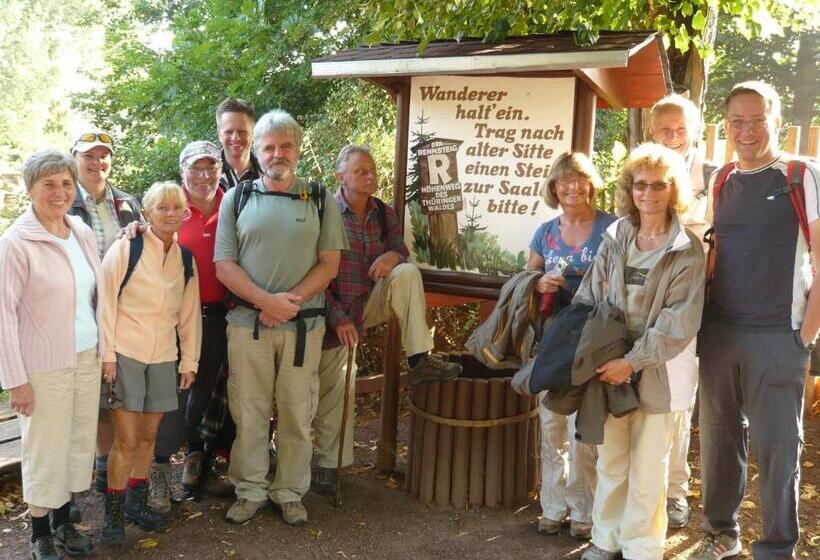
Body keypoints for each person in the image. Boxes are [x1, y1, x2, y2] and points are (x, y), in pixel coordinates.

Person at [690, 81, 820, 560]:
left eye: (757, 119)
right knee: (720, 442)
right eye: (737, 121)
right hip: (720, 333)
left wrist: (804, 335)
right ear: (726, 125)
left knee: (778, 447)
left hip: (778, 336)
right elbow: (711, 252)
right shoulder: (722, 178)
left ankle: (776, 548)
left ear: (776, 122)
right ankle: (720, 533)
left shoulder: (800, 174)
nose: (746, 130)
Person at [214, 109, 348, 526]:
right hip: (248, 324)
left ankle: (289, 491)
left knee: (296, 411)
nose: (277, 154)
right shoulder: (238, 198)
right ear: (257, 150)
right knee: (248, 410)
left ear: (298, 148)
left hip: (302, 326)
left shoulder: (321, 198)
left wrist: (286, 303)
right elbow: (224, 264)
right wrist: (264, 302)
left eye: (285, 146)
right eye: (269, 147)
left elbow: (329, 264)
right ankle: (250, 490)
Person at [578, 143, 704, 560]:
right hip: (609, 365)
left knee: (650, 467)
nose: (648, 193)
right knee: (611, 460)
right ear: (629, 189)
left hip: (659, 371)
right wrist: (603, 357)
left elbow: (679, 322)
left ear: (674, 190)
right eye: (640, 185)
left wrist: (630, 362)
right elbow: (590, 294)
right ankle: (605, 539)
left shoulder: (686, 248)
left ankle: (641, 549)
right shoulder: (615, 236)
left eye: (658, 185)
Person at [312, 145, 461, 495]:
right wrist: (336, 318)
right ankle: (330, 467)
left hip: (371, 301)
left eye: (372, 170)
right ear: (340, 176)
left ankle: (419, 359)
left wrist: (393, 255)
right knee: (338, 385)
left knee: (407, 272)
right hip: (333, 311)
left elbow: (401, 248)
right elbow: (312, 273)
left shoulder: (383, 213)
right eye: (361, 170)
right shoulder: (323, 213)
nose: (370, 175)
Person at [0, 150, 104, 559]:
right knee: (45, 447)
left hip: (85, 356)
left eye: (65, 183)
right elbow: (3, 315)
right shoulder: (15, 242)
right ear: (30, 190)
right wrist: (15, 379)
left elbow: (98, 294)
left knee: (76, 441)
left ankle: (64, 521)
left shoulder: (77, 229)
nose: (60, 192)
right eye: (49, 184)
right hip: (42, 366)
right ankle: (40, 532)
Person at [99, 181, 201, 544]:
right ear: (147, 211)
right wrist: (107, 356)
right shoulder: (127, 247)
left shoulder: (185, 259)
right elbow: (106, 302)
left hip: (163, 358)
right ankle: (112, 516)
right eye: (162, 208)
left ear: (185, 214)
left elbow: (190, 316)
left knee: (149, 436)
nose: (170, 214)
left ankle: (136, 504)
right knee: (125, 440)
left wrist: (189, 361)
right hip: (125, 352)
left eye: (177, 208)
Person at [526, 152, 616, 540]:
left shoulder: (612, 227)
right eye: (564, 180)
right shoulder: (545, 232)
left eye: (579, 179)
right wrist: (539, 283)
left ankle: (583, 512)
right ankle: (552, 506)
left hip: (595, 339)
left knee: (586, 426)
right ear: (553, 187)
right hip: (553, 338)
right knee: (551, 422)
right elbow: (526, 278)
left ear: (591, 184)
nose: (572, 187)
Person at [146, 141, 233, 512]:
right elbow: (145, 234)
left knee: (208, 397)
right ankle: (158, 473)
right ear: (182, 169)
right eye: (195, 168)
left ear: (220, 168)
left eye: (210, 167)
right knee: (171, 397)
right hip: (175, 318)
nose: (203, 175)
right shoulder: (171, 206)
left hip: (219, 316)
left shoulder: (234, 203)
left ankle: (199, 464)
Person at [647, 94, 717, 529]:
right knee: (644, 396)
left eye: (680, 129)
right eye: (664, 129)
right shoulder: (643, 171)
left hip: (691, 299)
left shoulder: (713, 176)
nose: (673, 137)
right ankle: (645, 486)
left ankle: (675, 489)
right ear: (652, 131)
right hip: (643, 300)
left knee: (678, 397)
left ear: (694, 128)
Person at [69, 130, 143, 499]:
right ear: (74, 158)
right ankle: (92, 470)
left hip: (121, 312)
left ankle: (107, 467)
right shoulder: (64, 201)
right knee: (87, 391)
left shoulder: (127, 202)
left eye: (104, 156)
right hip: (77, 312)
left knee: (114, 386)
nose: (98, 163)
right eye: (89, 156)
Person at [216, 97, 261, 191]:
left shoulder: (268, 173)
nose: (235, 138)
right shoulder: (205, 177)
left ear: (253, 133)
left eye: (242, 131)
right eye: (229, 132)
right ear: (219, 135)